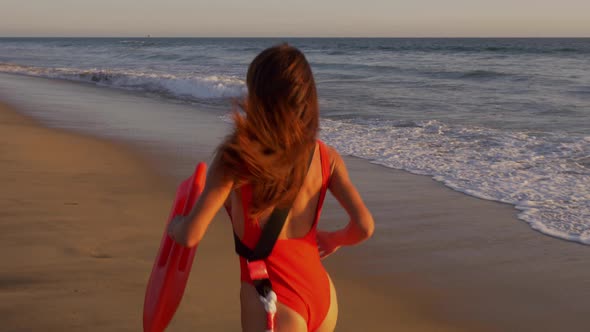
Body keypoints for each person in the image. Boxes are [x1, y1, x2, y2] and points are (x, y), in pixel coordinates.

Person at [167, 44, 374, 332]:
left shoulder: (236, 158)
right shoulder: (326, 157)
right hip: (322, 295)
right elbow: (364, 227)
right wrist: (334, 239)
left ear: (258, 96)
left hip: (275, 304)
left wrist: (174, 225)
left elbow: (190, 235)